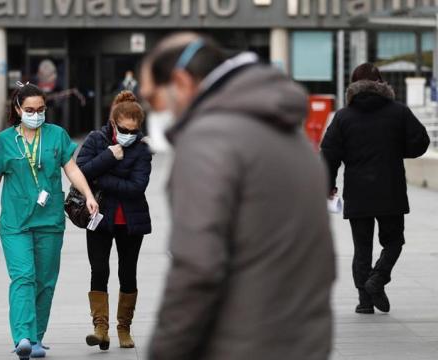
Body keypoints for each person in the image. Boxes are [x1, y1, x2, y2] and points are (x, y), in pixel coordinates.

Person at [142, 32, 336, 360]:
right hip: (306, 342)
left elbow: (196, 270)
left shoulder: (207, 140)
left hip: (239, 345)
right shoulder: (290, 134)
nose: (153, 110)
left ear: (180, 82)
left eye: (152, 99)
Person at [0, 83, 99, 360]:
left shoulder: (56, 136)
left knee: (45, 281)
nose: (36, 114)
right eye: (29, 110)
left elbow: (71, 167)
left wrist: (88, 194)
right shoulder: (6, 140)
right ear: (17, 109)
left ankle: (37, 337)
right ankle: (23, 337)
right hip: (15, 222)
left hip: (49, 220)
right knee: (23, 277)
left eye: (41, 109)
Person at [321, 63, 429, 314]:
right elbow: (421, 142)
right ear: (381, 83)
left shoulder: (343, 117)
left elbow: (328, 154)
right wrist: (396, 150)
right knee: (394, 241)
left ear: (352, 85)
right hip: (390, 188)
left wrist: (329, 185)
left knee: (362, 248)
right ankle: (378, 279)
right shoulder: (398, 112)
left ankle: (365, 301)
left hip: (358, 191)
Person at [76, 91, 152, 351]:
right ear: (113, 122)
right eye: (123, 129)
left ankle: (124, 328)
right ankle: (100, 327)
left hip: (131, 220)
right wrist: (109, 157)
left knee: (127, 273)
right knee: (99, 270)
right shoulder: (96, 140)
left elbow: (137, 187)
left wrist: (102, 178)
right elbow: (81, 172)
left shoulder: (142, 149)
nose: (127, 134)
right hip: (99, 217)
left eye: (133, 130)